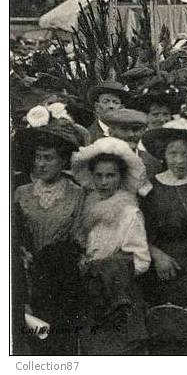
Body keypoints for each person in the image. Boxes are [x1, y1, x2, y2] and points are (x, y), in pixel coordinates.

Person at [139, 118, 187, 354]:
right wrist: (157, 254)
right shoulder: (151, 188)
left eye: (186, 154)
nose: (179, 160)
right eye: (173, 153)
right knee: (168, 337)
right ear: (164, 155)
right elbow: (137, 230)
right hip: (166, 273)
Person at [72, 137, 151, 355]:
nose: (104, 182)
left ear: (121, 177)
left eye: (110, 176)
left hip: (119, 297)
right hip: (93, 295)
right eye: (98, 176)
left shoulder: (129, 213)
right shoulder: (91, 208)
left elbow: (142, 261)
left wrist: (106, 268)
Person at [14, 112, 84, 355]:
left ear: (63, 160)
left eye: (48, 158)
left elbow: (79, 237)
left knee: (60, 342)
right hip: (26, 278)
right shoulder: (20, 193)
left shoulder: (78, 194)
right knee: (33, 343)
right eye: (37, 157)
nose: (41, 164)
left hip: (63, 282)